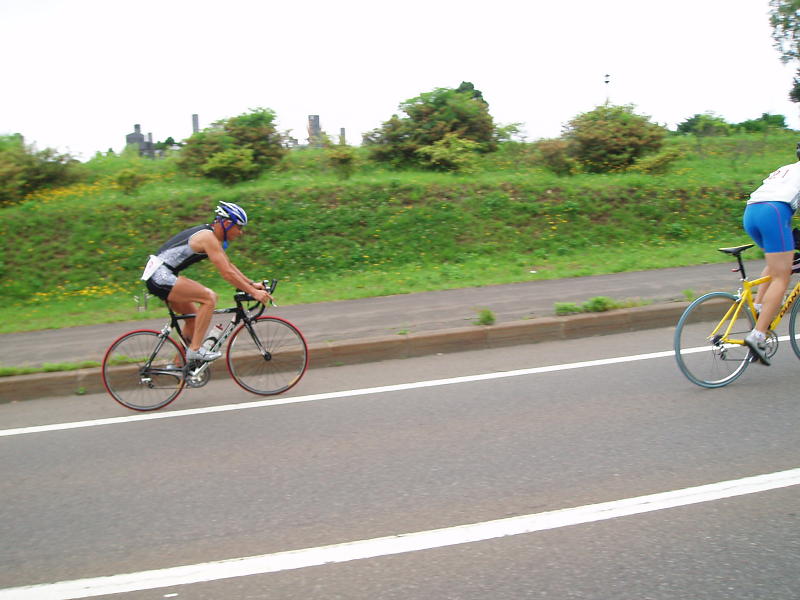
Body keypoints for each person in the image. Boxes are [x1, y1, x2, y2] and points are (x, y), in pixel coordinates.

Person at [141, 202, 271, 362]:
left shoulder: (211, 236)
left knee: (193, 319)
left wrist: (251, 285)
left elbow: (228, 265)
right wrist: (254, 293)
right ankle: (195, 350)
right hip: (160, 276)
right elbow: (227, 273)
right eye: (239, 227)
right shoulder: (207, 237)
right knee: (209, 297)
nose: (241, 232)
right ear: (227, 223)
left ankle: (179, 366)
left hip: (160, 275)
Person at [741, 144, 800, 366]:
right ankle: (758, 336)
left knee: (776, 263)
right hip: (773, 212)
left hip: (751, 213)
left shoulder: (788, 168)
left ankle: (758, 307)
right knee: (782, 278)